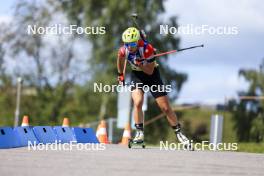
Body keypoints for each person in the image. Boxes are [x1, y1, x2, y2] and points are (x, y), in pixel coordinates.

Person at [117, 27, 191, 149]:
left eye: (133, 43)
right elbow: (119, 59)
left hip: (151, 75)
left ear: (138, 41)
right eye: (127, 44)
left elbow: (150, 71)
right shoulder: (124, 50)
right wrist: (120, 74)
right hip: (137, 76)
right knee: (138, 102)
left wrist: (140, 64)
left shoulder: (147, 49)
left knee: (165, 108)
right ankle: (139, 133)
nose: (130, 47)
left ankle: (179, 134)